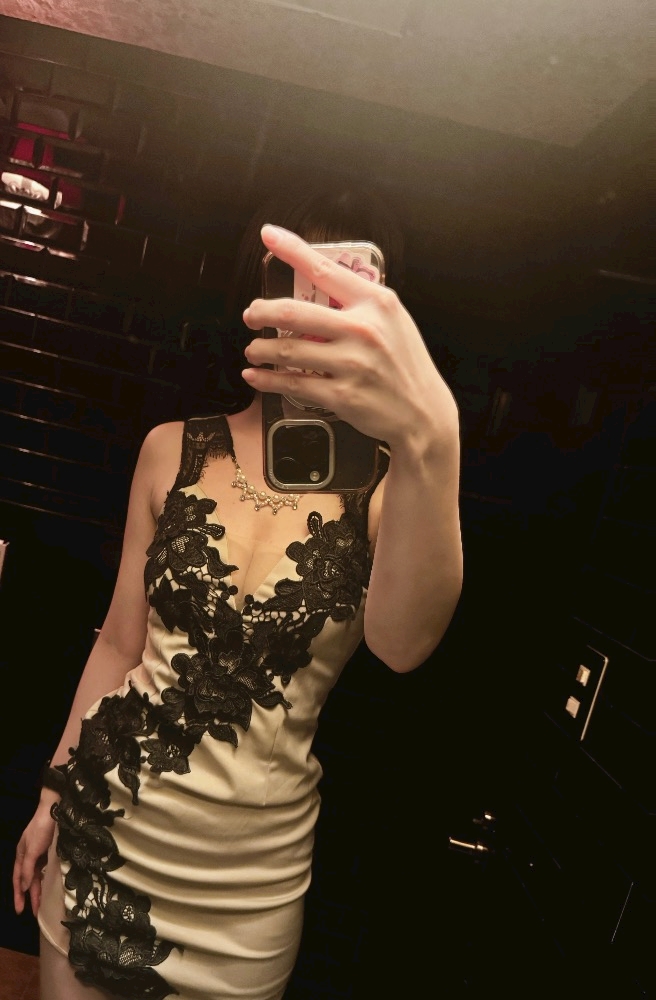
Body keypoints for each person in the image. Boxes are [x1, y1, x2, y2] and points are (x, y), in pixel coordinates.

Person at [13, 187, 463, 1000]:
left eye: (341, 292)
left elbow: (404, 646)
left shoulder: (392, 485)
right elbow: (119, 644)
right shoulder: (170, 450)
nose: (314, 315)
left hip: (246, 894)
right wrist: (53, 788)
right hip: (104, 832)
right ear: (261, 298)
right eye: (298, 286)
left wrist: (432, 434)